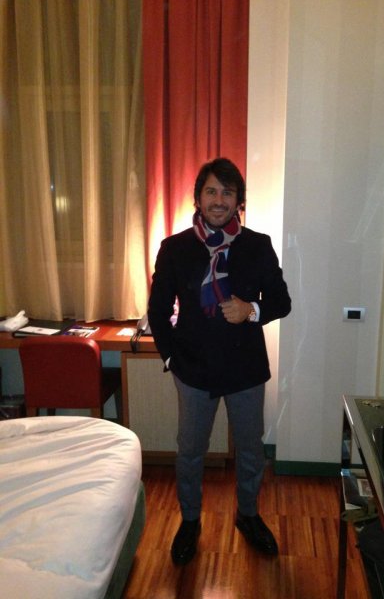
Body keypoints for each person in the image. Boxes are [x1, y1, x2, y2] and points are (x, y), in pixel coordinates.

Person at [148, 157, 291, 565]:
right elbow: (158, 310)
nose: (219, 200)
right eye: (211, 191)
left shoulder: (257, 246)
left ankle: (248, 515)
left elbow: (281, 301)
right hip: (193, 369)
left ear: (238, 201)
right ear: (198, 197)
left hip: (246, 368)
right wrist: (171, 357)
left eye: (227, 192)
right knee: (190, 451)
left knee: (250, 450)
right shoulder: (175, 248)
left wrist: (251, 310)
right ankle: (190, 521)